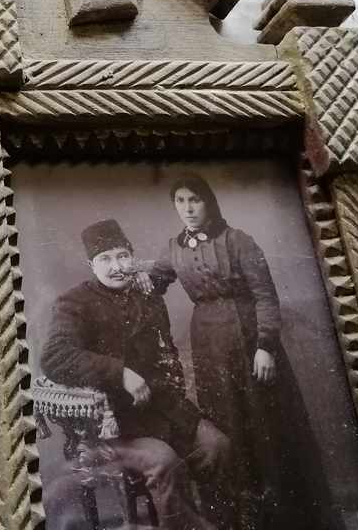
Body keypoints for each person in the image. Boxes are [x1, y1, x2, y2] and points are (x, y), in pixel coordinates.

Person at [149, 173, 326, 529]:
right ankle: (244, 519)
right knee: (227, 425)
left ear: (209, 201)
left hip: (249, 344)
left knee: (264, 424)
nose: (188, 208)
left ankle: (286, 516)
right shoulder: (172, 249)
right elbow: (153, 282)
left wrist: (265, 347)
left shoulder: (238, 241)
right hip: (209, 348)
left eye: (194, 199)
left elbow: (265, 295)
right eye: (180, 201)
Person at [40, 218, 229, 530]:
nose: (116, 267)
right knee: (163, 462)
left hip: (158, 411)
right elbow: (54, 357)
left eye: (122, 256)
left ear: (132, 257)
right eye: (105, 259)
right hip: (108, 428)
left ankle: (214, 520)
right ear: (91, 265)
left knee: (216, 446)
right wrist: (120, 373)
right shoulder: (74, 303)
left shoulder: (146, 294)